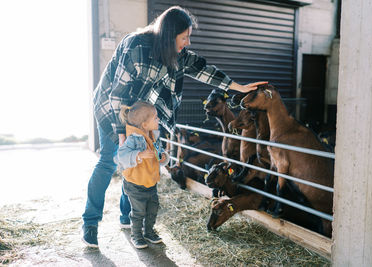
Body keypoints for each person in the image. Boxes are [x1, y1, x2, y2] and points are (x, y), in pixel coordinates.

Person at [82, 5, 267, 248]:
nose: (188, 42)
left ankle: (128, 217)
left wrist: (238, 87)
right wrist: (121, 134)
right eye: (184, 37)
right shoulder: (137, 46)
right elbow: (117, 96)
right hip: (112, 108)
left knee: (140, 161)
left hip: (142, 112)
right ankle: (90, 222)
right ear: (170, 35)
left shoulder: (176, 54)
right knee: (111, 160)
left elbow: (204, 69)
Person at [115, 101, 169, 249]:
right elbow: (121, 155)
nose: (158, 120)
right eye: (156, 118)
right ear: (144, 124)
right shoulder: (133, 138)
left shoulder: (153, 136)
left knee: (153, 209)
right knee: (138, 212)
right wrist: (139, 155)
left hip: (151, 182)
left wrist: (163, 157)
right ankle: (136, 235)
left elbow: (159, 153)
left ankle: (149, 232)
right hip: (135, 184)